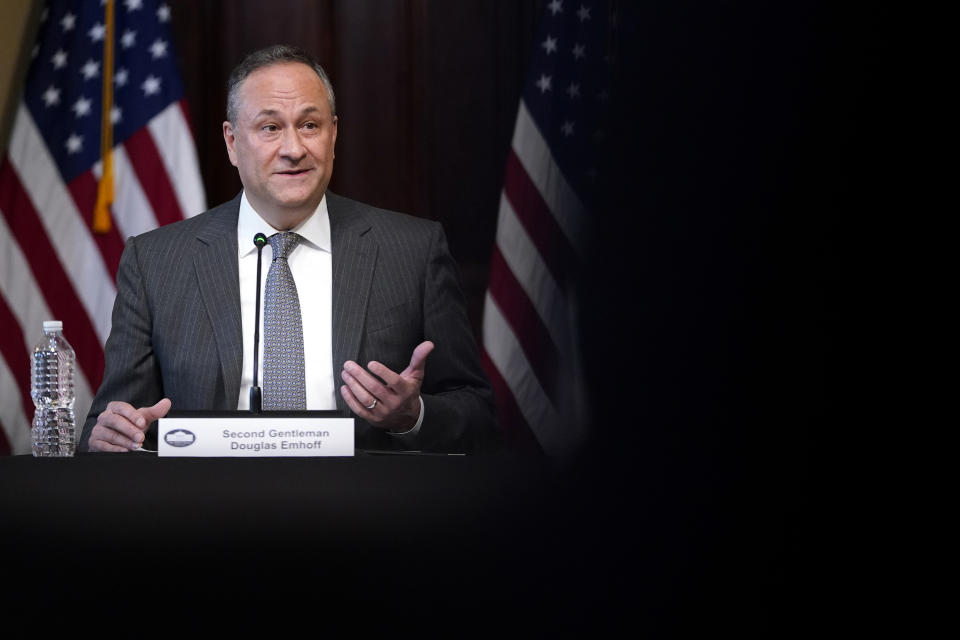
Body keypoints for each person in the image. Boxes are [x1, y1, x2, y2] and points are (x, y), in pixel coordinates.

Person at [79, 44, 495, 453]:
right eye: (270, 127)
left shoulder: (413, 251)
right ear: (231, 141)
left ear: (334, 134)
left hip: (364, 508)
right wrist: (115, 435)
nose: (294, 149)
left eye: (310, 125)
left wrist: (413, 416)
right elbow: (111, 423)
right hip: (208, 509)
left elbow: (477, 412)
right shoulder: (155, 263)